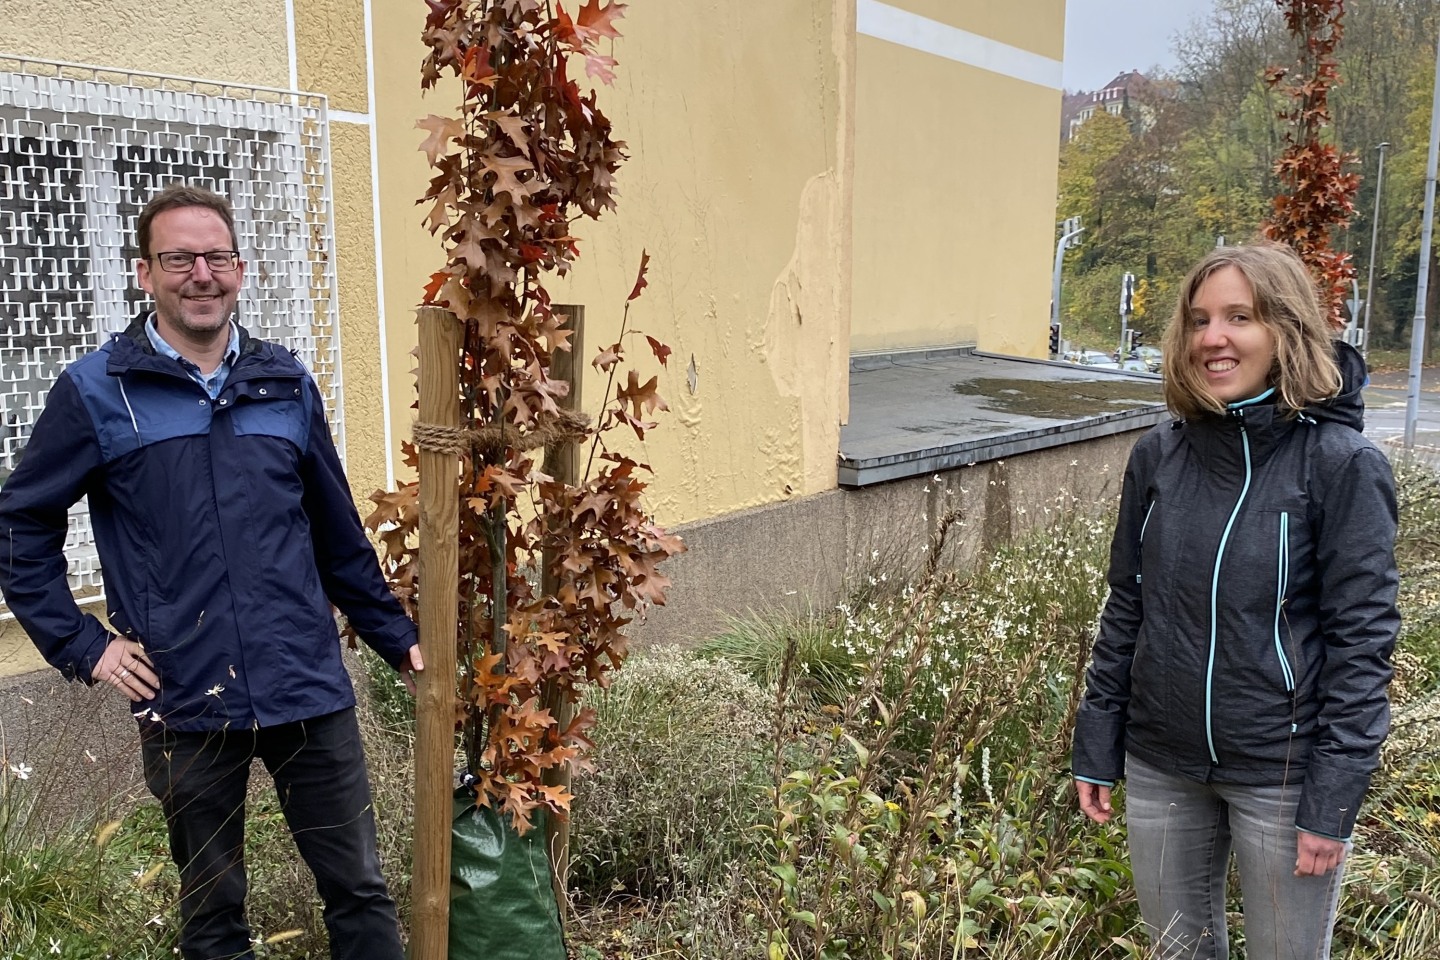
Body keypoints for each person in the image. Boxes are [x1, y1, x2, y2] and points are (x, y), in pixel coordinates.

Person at [0, 184, 424, 959]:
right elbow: (20, 524)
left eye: (216, 257)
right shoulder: (97, 393)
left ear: (241, 268)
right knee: (213, 913)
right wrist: (82, 645)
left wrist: (398, 637)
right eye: (179, 259)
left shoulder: (285, 382)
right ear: (144, 272)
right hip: (185, 694)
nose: (201, 274)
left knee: (359, 892)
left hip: (305, 684)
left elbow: (335, 532)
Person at [1071, 241, 1399, 960]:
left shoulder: (1342, 465)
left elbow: (1363, 643)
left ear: (1286, 329)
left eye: (1238, 317)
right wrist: (1098, 742)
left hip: (1282, 776)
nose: (1212, 338)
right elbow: (1127, 604)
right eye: (1198, 320)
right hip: (1162, 763)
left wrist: (1333, 798)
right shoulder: (1159, 455)